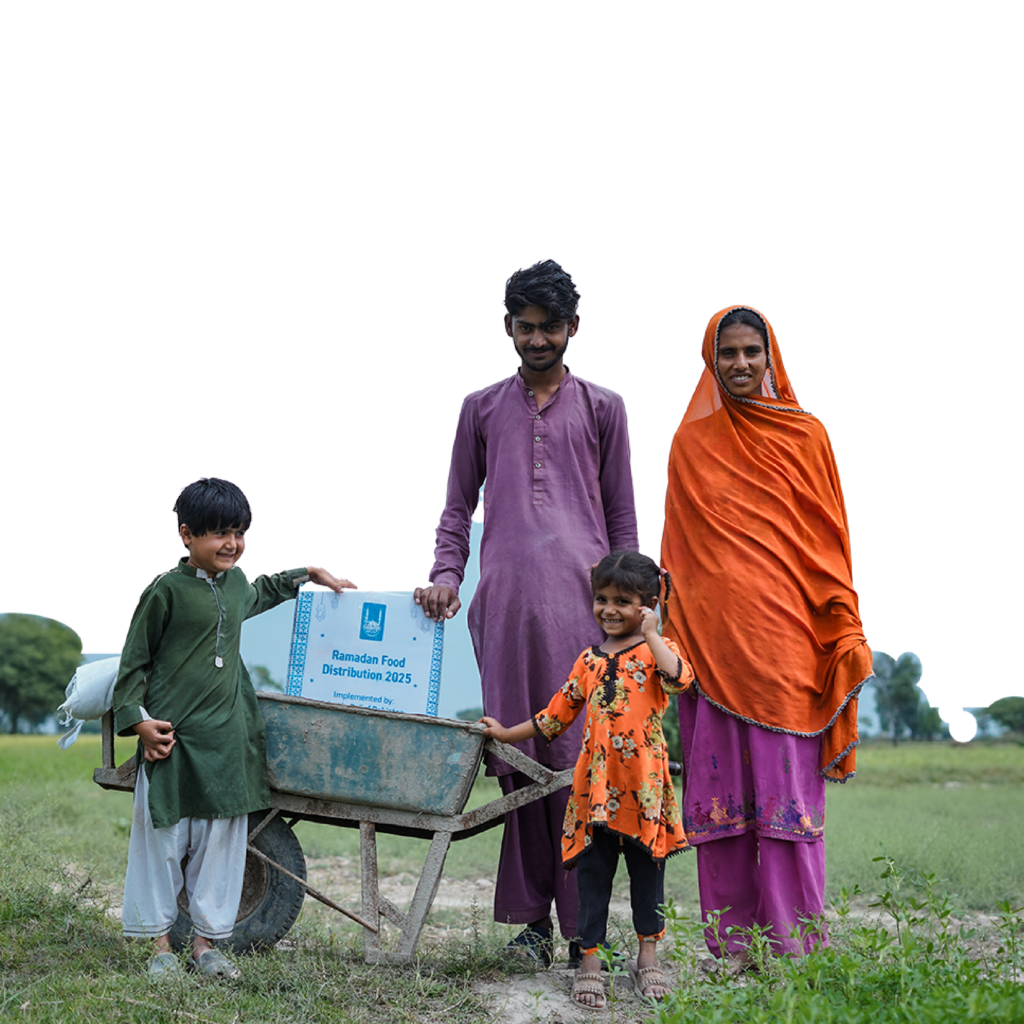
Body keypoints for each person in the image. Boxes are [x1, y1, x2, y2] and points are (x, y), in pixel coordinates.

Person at [414, 260, 639, 967]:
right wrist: (447, 574)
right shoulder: (479, 408)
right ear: (507, 326)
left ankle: (585, 928)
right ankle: (532, 925)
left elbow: (622, 517)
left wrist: (632, 614)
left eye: (549, 328)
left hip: (585, 617)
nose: (537, 340)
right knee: (520, 762)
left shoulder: (604, 408)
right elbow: (457, 507)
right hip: (505, 612)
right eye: (525, 327)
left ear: (573, 328)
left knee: (580, 765)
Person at [660, 305, 874, 969]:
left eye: (753, 351)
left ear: (771, 356)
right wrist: (671, 642)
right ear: (711, 360)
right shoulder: (689, 445)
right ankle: (731, 949)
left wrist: (842, 625)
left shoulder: (806, 436)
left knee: (787, 807)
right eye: (729, 353)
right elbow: (678, 557)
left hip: (785, 649)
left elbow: (828, 540)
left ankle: (796, 949)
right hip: (712, 650)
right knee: (721, 809)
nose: (742, 364)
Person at [113, 476, 358, 978]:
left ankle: (205, 946)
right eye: (219, 533)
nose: (232, 544)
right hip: (172, 744)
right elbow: (131, 667)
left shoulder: (236, 587)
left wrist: (308, 573)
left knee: (221, 847)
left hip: (227, 742)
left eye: (239, 533)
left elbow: (265, 588)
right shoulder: (164, 591)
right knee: (162, 845)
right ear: (186, 535)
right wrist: (140, 726)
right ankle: (161, 948)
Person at [480, 552, 692, 1008]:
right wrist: (504, 733)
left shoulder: (658, 651)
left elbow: (680, 680)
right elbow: (552, 718)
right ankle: (590, 960)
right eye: (601, 599)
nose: (609, 609)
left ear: (649, 604)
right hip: (595, 792)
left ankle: (647, 959)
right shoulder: (588, 660)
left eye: (623, 601)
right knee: (592, 876)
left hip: (644, 789)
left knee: (646, 876)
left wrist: (655, 633)